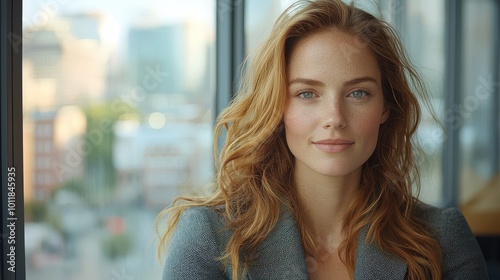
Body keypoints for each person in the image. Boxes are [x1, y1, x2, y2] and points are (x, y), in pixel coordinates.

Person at [156, 0, 489, 279]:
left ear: (387, 106)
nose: (334, 118)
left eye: (358, 93)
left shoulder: (442, 240)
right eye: (307, 94)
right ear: (277, 107)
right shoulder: (210, 237)